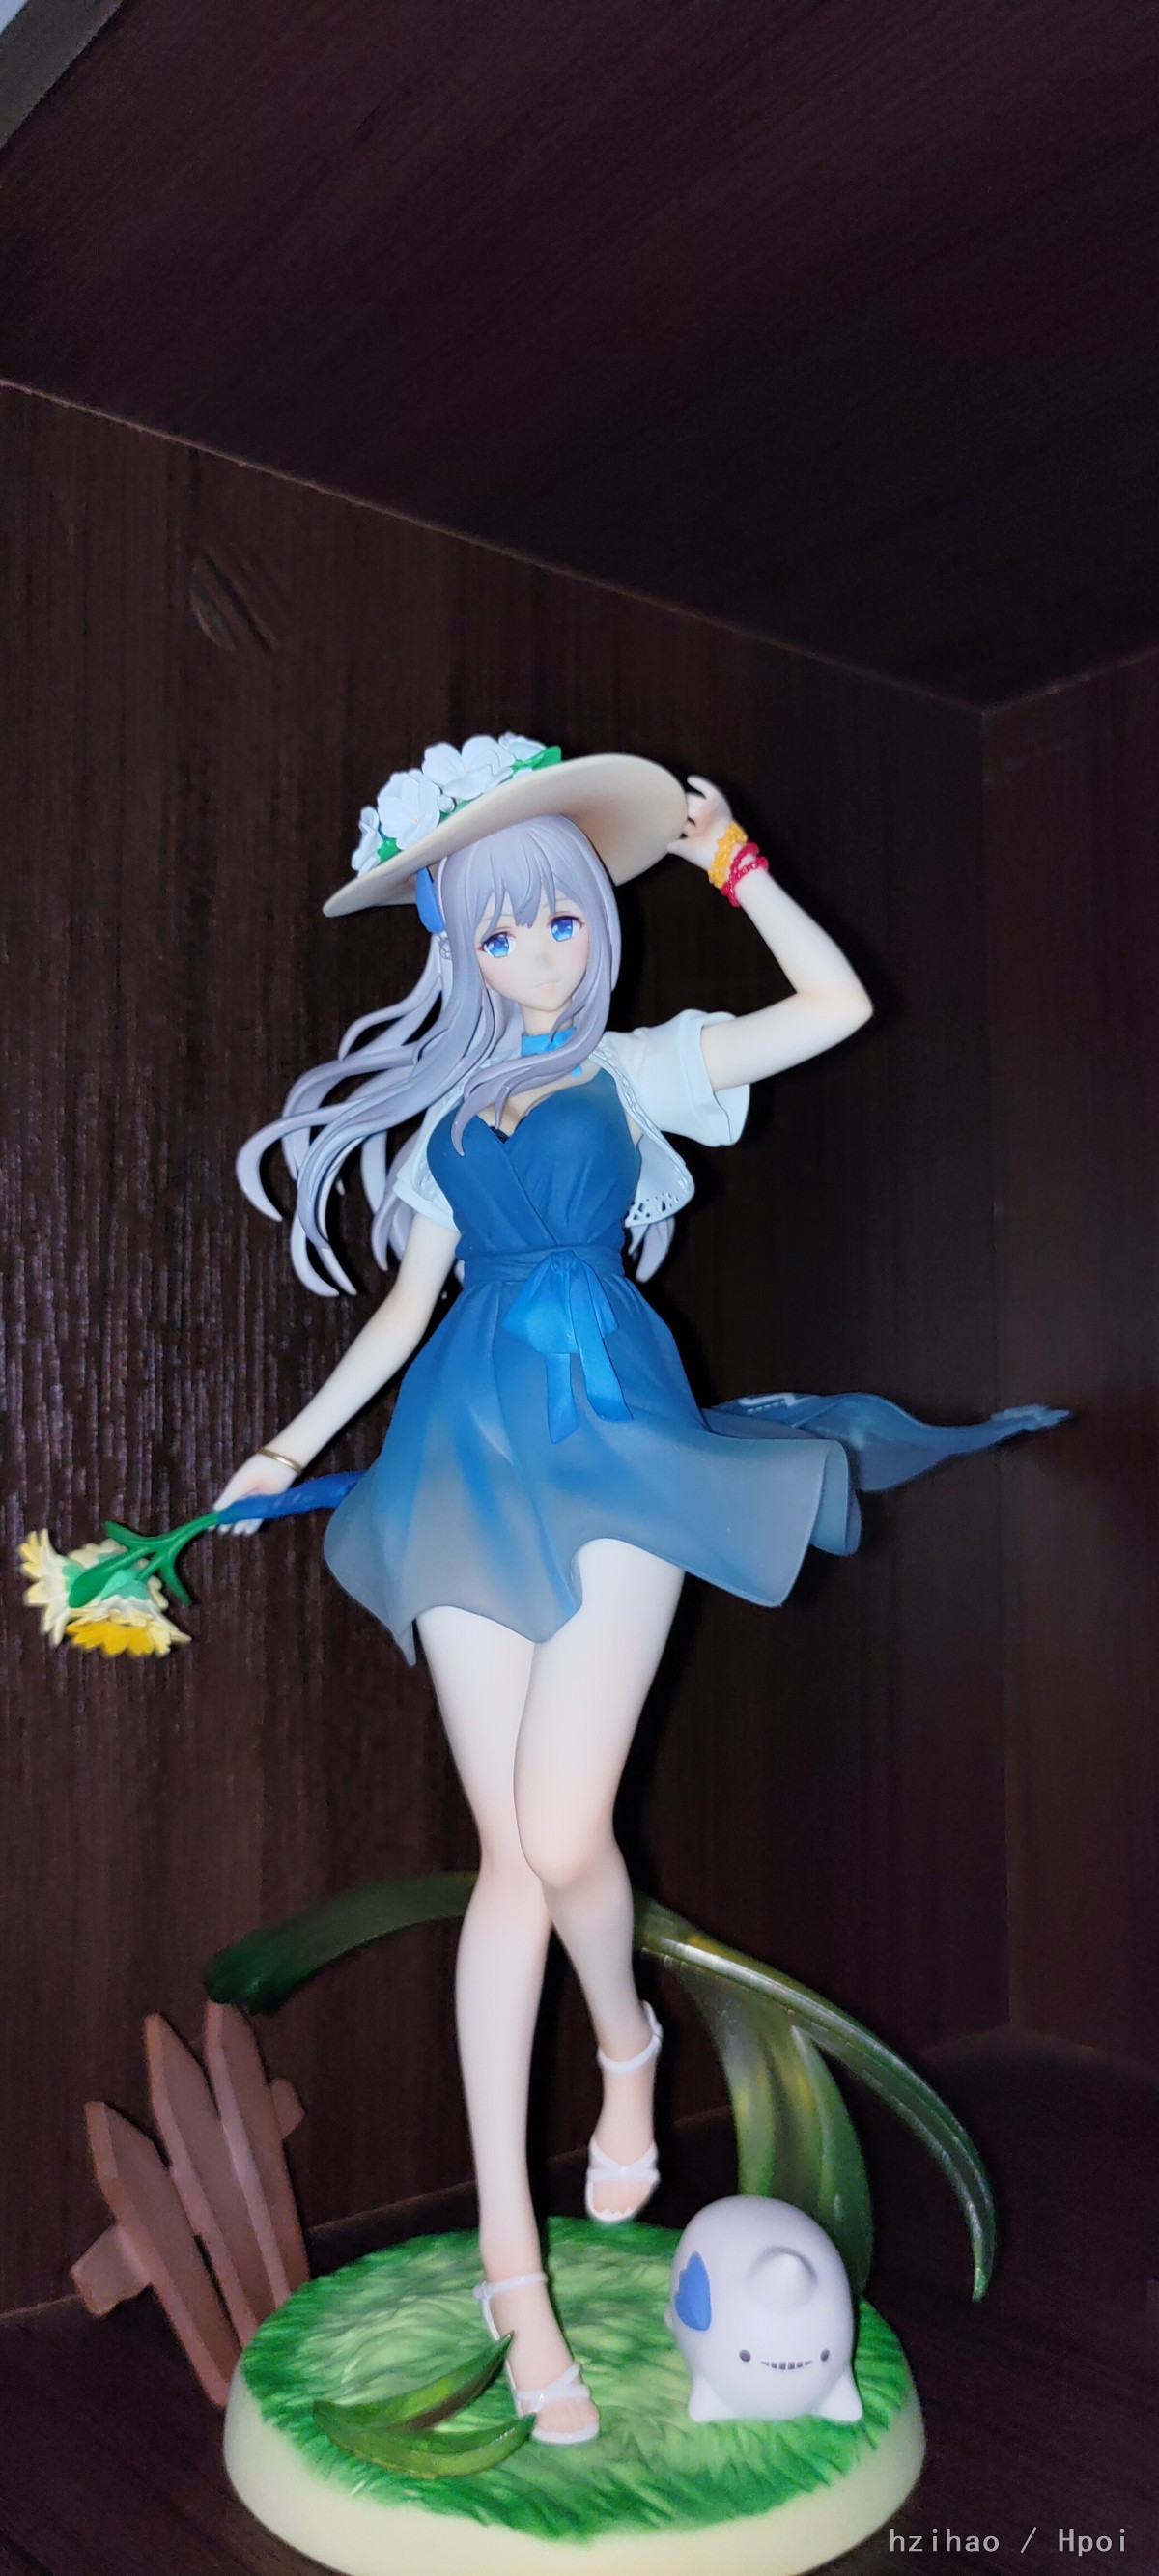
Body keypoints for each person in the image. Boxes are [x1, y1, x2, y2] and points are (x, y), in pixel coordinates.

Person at [214, 737, 1062, 2443]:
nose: (537, 952)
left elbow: (833, 1009)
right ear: (458, 944)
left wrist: (731, 863)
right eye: (500, 928)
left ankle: (624, 2042)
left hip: (616, 1444)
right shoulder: (442, 1122)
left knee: (562, 1830)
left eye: (560, 920)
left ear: (595, 922)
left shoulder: (638, 1066)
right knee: (507, 1859)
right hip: (460, 1457)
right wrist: (280, 1445)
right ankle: (510, 2269)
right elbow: (400, 1314)